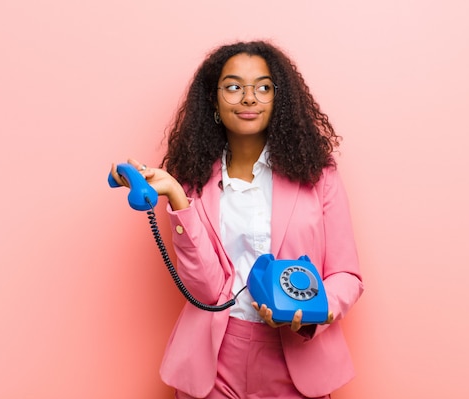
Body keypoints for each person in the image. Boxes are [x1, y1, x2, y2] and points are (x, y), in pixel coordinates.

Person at [110, 40, 363, 399]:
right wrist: (177, 198)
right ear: (213, 100)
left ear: (280, 99)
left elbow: (346, 274)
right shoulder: (193, 179)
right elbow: (207, 289)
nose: (248, 98)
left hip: (297, 355)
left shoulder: (320, 177)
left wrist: (312, 311)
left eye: (263, 87)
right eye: (233, 87)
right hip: (215, 360)